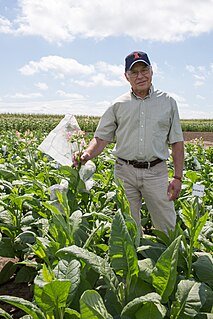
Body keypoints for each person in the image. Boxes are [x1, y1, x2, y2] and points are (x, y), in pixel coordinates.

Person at [73, 51, 184, 233]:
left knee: (166, 226)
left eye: (144, 69)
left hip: (156, 172)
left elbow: (177, 142)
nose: (140, 76)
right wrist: (86, 153)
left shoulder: (168, 102)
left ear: (151, 71)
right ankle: (133, 259)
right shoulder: (118, 104)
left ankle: (170, 259)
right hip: (125, 172)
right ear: (126, 76)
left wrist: (178, 177)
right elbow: (101, 138)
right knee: (128, 227)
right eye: (134, 72)